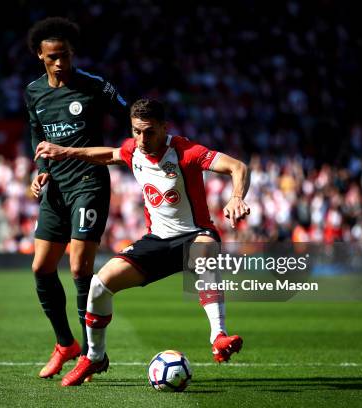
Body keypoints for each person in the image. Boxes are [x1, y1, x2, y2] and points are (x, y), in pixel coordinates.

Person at [35, 98, 251, 386]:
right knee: (99, 285)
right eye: (136, 131)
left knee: (205, 249)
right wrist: (65, 152)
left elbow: (238, 167)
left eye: (149, 132)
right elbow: (109, 155)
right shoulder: (133, 149)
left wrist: (236, 196)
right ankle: (95, 357)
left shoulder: (186, 152)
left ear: (164, 127)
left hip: (195, 233)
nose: (141, 139)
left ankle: (218, 336)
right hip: (157, 241)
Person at [24, 17, 129, 379]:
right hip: (56, 188)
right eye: (52, 56)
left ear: (72, 54)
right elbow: (37, 138)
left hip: (89, 182)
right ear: (40, 55)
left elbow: (133, 117)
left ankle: (91, 353)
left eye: (65, 55)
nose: (59, 63)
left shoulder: (94, 86)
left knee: (79, 268)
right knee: (41, 268)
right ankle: (65, 344)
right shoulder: (34, 92)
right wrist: (40, 171)